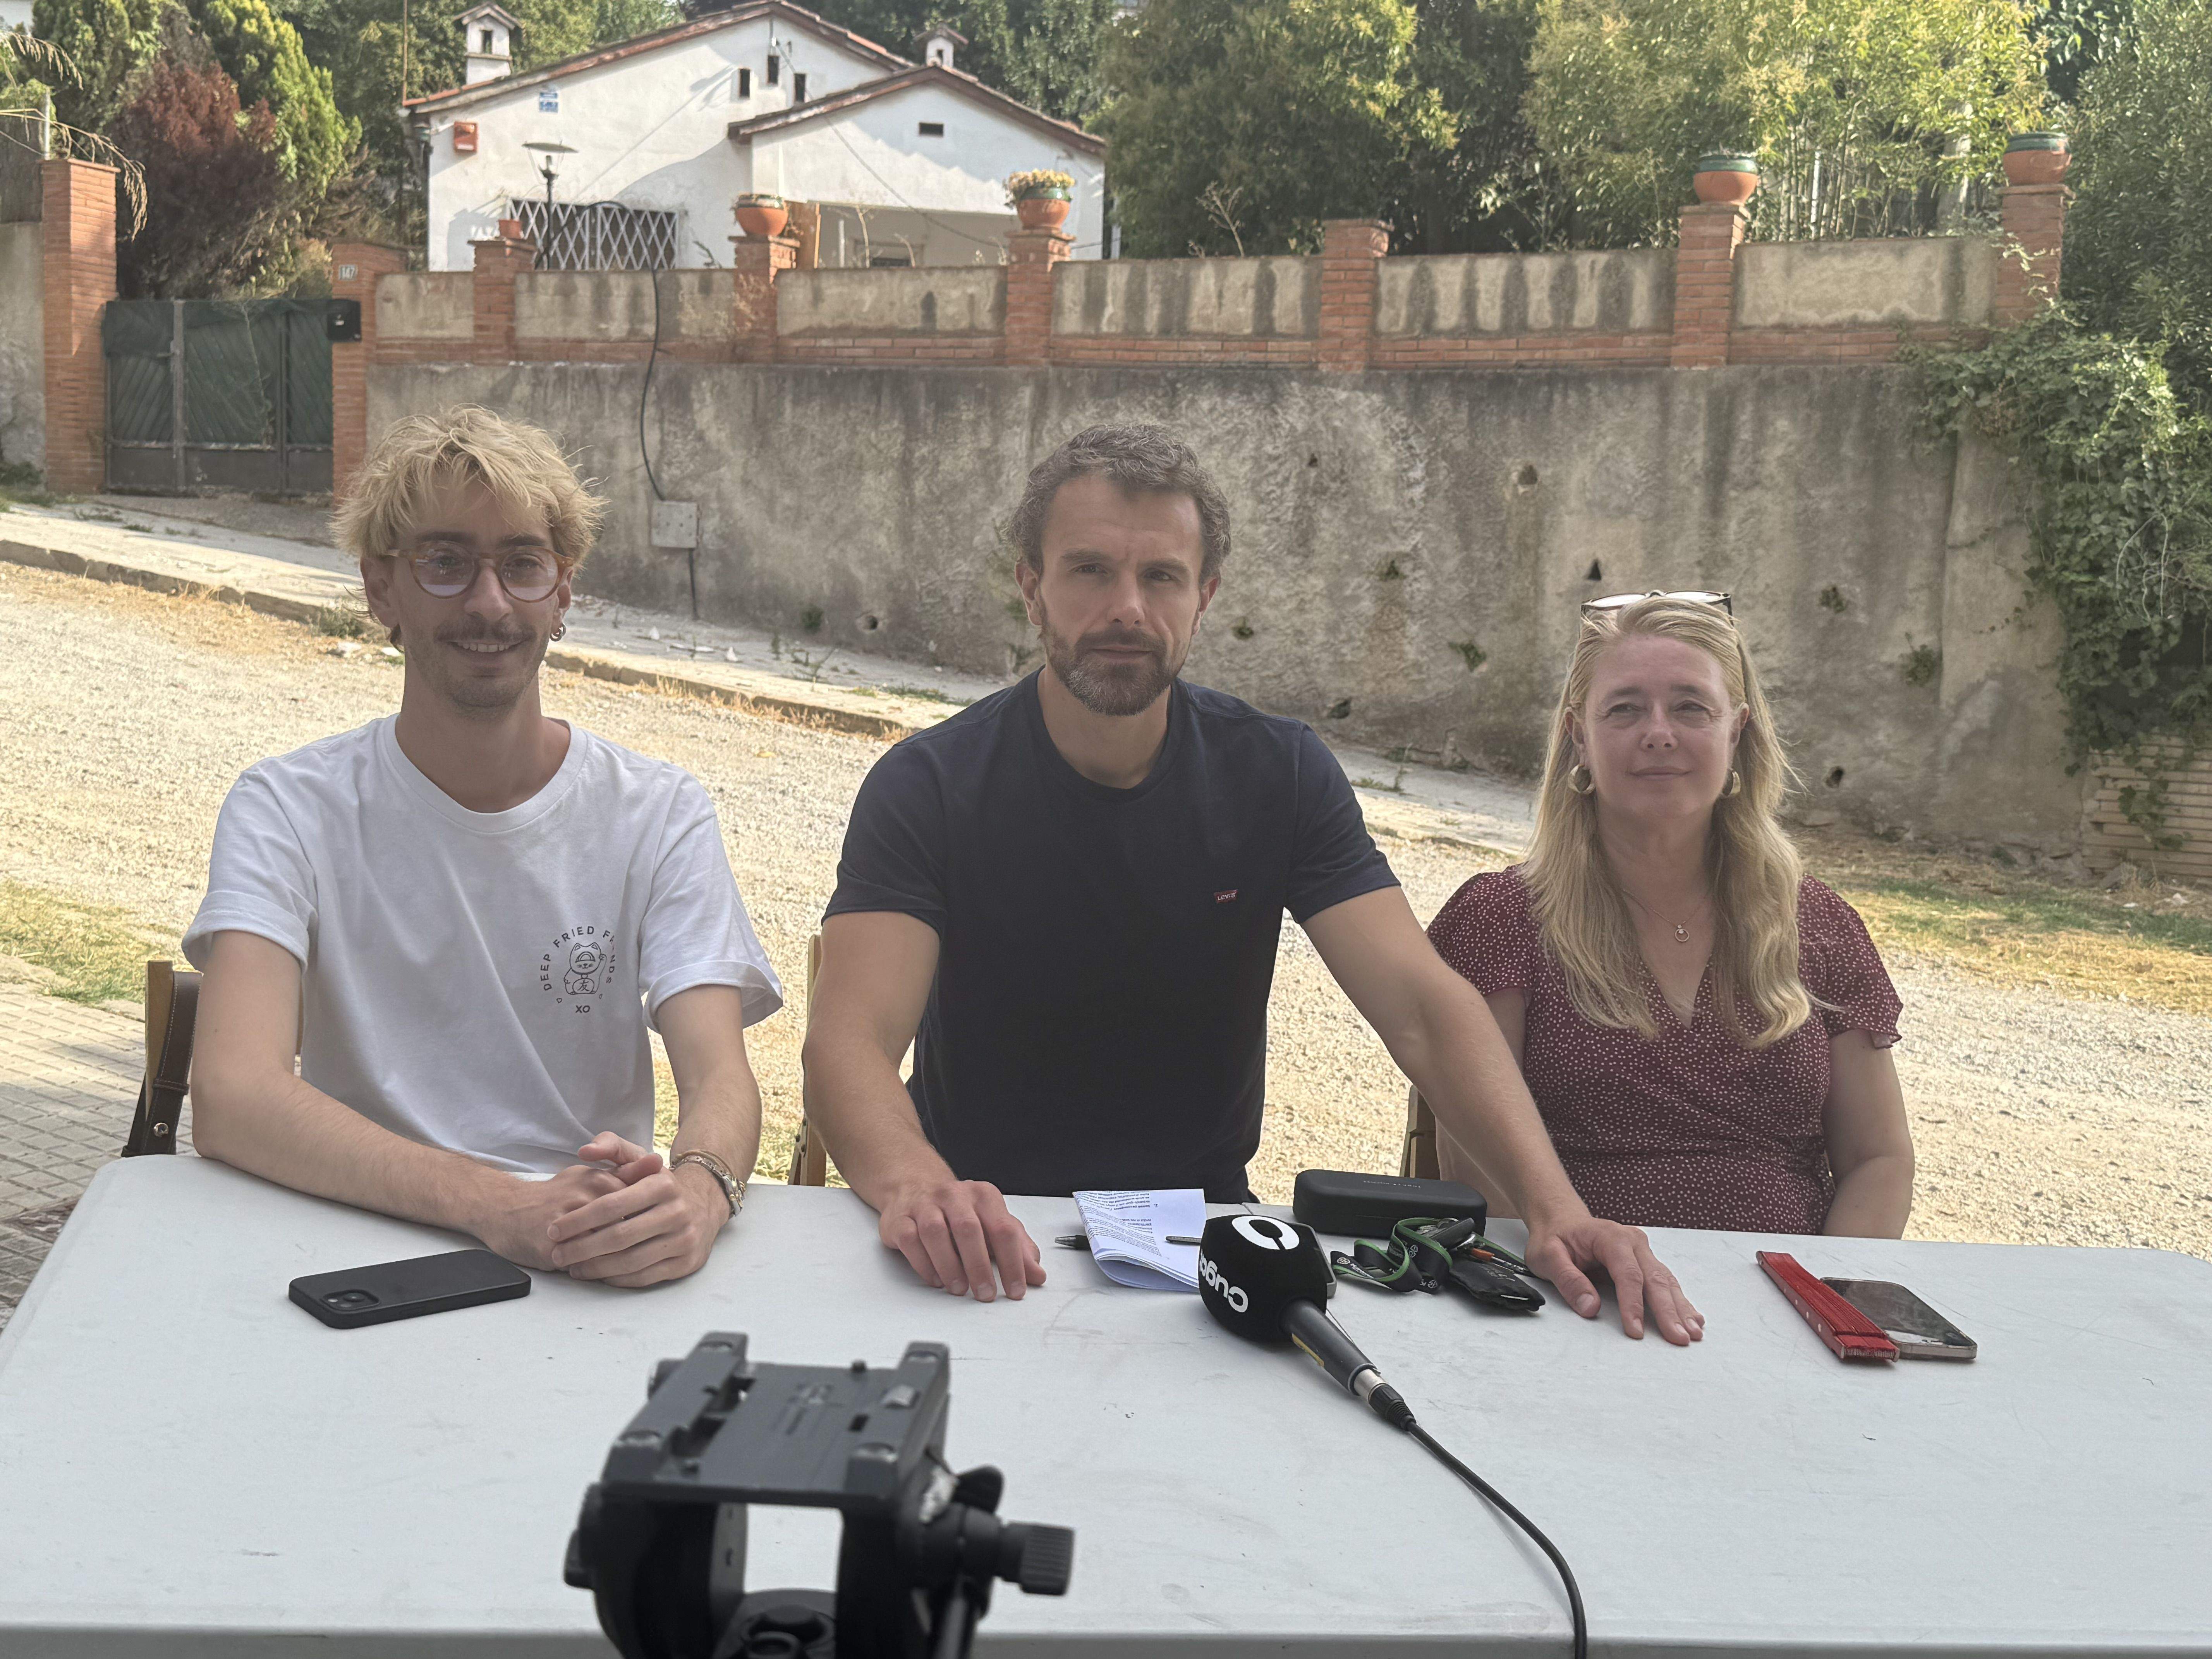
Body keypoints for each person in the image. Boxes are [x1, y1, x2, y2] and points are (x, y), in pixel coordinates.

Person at [802, 425, 1703, 1343]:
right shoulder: (930, 785)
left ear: (1206, 597)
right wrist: (918, 1185)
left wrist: (1555, 1210)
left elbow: (1424, 1007)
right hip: (980, 1228)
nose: (1127, 609)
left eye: (1161, 576)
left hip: (1202, 1242)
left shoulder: (1278, 774)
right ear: (1032, 588)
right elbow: (850, 1042)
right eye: (1088, 571)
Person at [186, 408, 783, 1286]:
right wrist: (500, 1206)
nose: (489, 602)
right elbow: (234, 1095)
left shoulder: (659, 814)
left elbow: (720, 1079)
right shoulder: (287, 808)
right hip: (352, 1246)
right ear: (379, 588)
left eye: (522, 564)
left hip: (585, 1258)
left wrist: (700, 1192)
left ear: (564, 591)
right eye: (445, 562)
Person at [1426, 592, 1915, 1237]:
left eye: (1691, 707)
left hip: (1786, 1305)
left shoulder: (1818, 925)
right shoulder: (1503, 920)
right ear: (1579, 737)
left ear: (1736, 731)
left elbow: (1879, 1160)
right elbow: (1474, 1166)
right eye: (1625, 709)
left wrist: (1826, 1305)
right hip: (1576, 1300)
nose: (1659, 732)